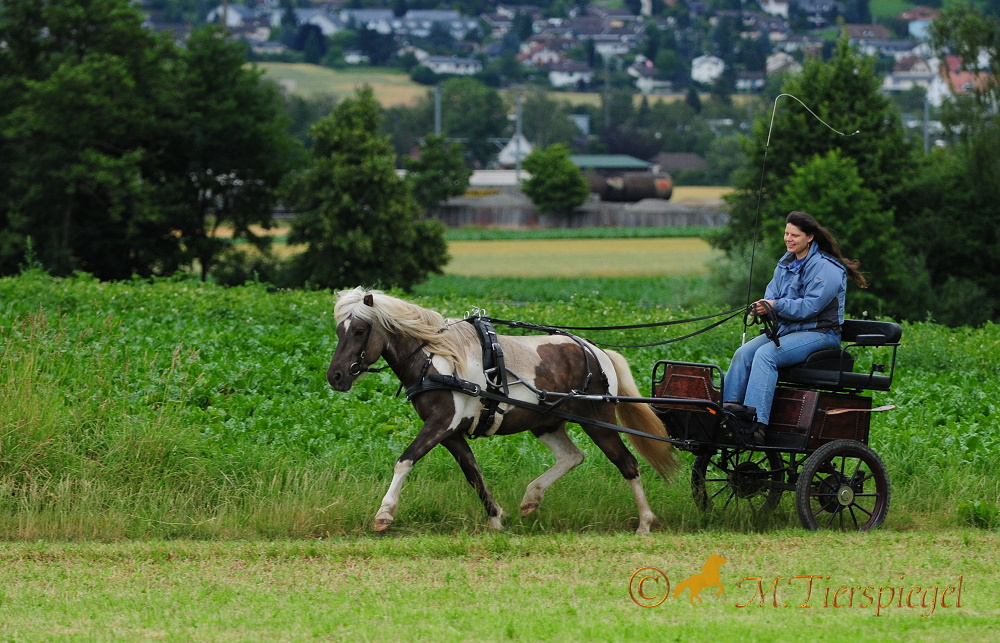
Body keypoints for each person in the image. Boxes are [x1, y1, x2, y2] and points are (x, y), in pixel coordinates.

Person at [723, 211, 867, 444]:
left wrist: (775, 305)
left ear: (809, 237)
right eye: (786, 233)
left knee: (766, 355)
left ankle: (756, 422)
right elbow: (772, 294)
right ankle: (728, 415)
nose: (788, 238)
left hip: (820, 334)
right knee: (743, 353)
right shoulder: (785, 263)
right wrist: (762, 307)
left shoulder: (827, 268)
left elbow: (810, 307)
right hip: (789, 332)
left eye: (795, 235)